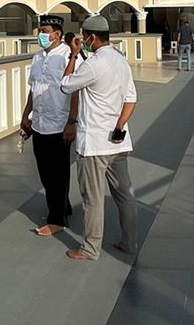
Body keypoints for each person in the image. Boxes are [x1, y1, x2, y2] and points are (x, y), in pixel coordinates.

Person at [59, 15, 138, 261]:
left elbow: (65, 85)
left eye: (85, 36)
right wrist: (119, 126)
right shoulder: (121, 61)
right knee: (125, 196)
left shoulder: (93, 64)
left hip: (93, 144)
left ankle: (90, 248)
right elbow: (131, 99)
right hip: (117, 141)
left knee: (92, 199)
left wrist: (73, 55)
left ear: (92, 37)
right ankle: (129, 243)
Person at [21, 15, 76, 237]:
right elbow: (34, 88)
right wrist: (26, 114)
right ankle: (62, 207)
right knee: (44, 170)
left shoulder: (68, 57)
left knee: (58, 172)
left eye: (45, 31)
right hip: (40, 123)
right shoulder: (37, 58)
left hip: (59, 122)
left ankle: (57, 219)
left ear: (57, 34)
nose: (41, 35)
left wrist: (72, 122)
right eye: (40, 31)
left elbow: (75, 90)